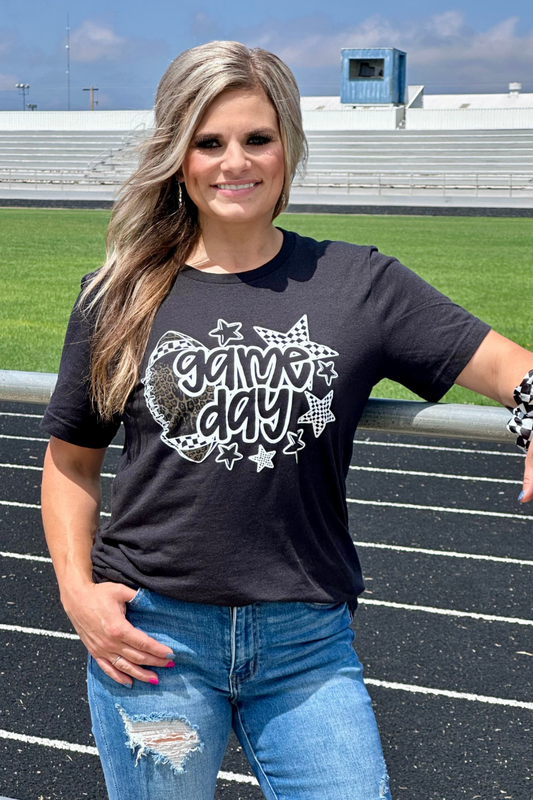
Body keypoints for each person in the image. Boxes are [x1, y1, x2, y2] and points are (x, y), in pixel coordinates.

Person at [40, 41, 533, 800]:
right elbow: (71, 462)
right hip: (152, 640)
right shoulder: (118, 295)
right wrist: (76, 594)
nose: (234, 162)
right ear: (178, 156)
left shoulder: (360, 283)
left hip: (306, 648)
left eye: (256, 138)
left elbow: (511, 369)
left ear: (288, 147)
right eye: (209, 142)